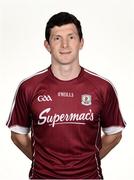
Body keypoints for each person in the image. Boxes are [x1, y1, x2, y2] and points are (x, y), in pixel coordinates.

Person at [6, 12, 126, 179]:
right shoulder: (28, 87)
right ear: (47, 45)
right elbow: (18, 136)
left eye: (71, 37)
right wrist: (44, 162)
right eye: (57, 38)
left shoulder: (102, 87)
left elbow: (114, 134)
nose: (64, 45)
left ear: (81, 42)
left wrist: (88, 161)